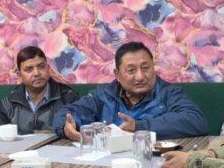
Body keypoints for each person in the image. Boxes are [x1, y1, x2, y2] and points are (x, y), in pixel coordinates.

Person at [53, 42, 207, 140]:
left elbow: (196, 121)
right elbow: (67, 113)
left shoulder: (168, 93)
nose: (140, 76)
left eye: (145, 68)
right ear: (117, 74)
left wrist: (139, 126)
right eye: (131, 70)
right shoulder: (103, 95)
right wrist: (67, 127)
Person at [0, 46, 79, 133]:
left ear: (48, 69)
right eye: (29, 69)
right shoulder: (9, 105)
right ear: (19, 75)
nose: (36, 73)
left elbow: (80, 131)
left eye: (41, 67)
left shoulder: (68, 98)